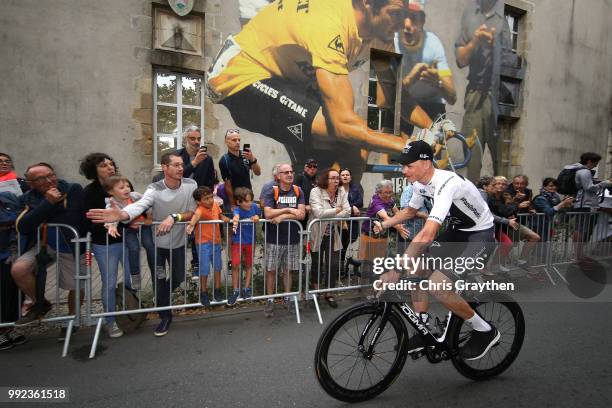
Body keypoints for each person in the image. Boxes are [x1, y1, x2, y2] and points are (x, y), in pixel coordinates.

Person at [206, 0, 410, 167]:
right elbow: (342, 124)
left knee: (347, 155)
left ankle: (330, 210)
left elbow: (391, 92)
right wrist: (409, 146)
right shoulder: (330, 23)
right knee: (346, 139)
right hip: (241, 75)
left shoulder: (383, 34)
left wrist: (422, 131)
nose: (402, 25)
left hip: (286, 77)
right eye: (395, 14)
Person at [374, 140, 500, 360]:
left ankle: (485, 330)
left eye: (408, 165)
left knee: (437, 285)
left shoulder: (446, 182)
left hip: (480, 235)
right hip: (458, 231)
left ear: (426, 162)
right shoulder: (418, 184)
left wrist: (395, 269)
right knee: (416, 268)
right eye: (402, 165)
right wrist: (385, 224)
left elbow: (427, 234)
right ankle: (423, 328)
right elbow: (409, 211)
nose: (403, 171)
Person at [87, 151, 197, 337]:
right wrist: (122, 215)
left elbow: (192, 212)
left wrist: (174, 217)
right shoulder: (154, 188)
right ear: (165, 167)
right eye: (176, 165)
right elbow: (140, 205)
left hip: (178, 242)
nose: (181, 168)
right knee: (159, 278)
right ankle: (165, 316)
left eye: (182, 165)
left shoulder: (190, 184)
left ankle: (161, 297)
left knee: (178, 276)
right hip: (157, 244)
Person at [11, 163, 86, 342]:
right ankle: (41, 303)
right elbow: (23, 226)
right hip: (45, 243)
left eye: (51, 175)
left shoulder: (72, 189)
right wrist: (48, 203)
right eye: (41, 179)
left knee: (75, 284)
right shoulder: (28, 197)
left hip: (70, 244)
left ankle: (71, 320)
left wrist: (43, 211)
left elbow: (72, 217)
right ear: (30, 183)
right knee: (19, 270)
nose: (49, 180)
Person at [455, 0, 511, 181]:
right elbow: (460, 60)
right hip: (475, 93)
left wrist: (495, 45)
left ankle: (500, 191)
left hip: (497, 94)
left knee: (498, 153)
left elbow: (509, 61)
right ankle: (470, 192)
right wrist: (476, 41)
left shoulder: (502, 21)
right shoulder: (470, 14)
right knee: (472, 151)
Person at [81, 153, 134, 338]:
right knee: (109, 283)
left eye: (111, 164)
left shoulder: (122, 185)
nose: (110, 167)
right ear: (93, 170)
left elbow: (131, 210)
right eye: (104, 165)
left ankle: (132, 314)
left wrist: (126, 220)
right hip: (105, 245)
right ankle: (110, 322)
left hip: (126, 241)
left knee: (131, 279)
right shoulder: (89, 192)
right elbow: (85, 220)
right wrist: (106, 224)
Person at [393, 1, 457, 134]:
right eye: (403, 16)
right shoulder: (392, 41)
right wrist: (411, 78)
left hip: (432, 103)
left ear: (422, 21)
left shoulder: (433, 44)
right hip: (405, 99)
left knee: (437, 143)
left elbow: (452, 97)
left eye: (413, 17)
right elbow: (388, 96)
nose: (407, 25)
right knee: (397, 146)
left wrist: (439, 82)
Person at [260, 163, 306, 317]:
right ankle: (270, 300)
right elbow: (267, 213)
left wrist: (283, 216)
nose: (290, 174)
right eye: (285, 172)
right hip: (274, 239)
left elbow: (302, 214)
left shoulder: (298, 190)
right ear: (278, 176)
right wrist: (288, 209)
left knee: (288, 271)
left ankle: (287, 298)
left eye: (291, 171)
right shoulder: (271, 190)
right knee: (271, 270)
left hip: (293, 238)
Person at [308, 168, 351, 308]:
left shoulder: (341, 192)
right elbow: (319, 213)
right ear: (325, 179)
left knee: (333, 264)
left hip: (333, 232)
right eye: (333, 178)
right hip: (317, 231)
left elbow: (348, 211)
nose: (336, 180)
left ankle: (329, 293)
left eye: (337, 178)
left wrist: (334, 213)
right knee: (317, 263)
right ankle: (315, 291)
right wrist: (337, 210)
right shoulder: (316, 191)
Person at [103, 175, 151, 291]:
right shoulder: (111, 203)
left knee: (150, 244)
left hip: (143, 225)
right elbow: (111, 216)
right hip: (129, 228)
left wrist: (149, 217)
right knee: (134, 248)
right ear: (111, 192)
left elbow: (149, 203)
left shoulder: (135, 195)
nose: (126, 189)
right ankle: (135, 276)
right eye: (121, 187)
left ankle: (158, 267)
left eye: (128, 186)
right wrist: (111, 226)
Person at [186, 186, 230, 307]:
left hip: (216, 241)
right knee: (204, 268)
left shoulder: (215, 205)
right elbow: (196, 216)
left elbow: (220, 215)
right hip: (204, 243)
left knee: (217, 267)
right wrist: (190, 225)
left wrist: (223, 218)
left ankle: (217, 290)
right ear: (199, 201)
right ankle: (203, 292)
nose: (210, 200)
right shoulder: (200, 209)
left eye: (211, 197)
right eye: (206, 198)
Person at [562, 152, 612, 246]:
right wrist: (604, 183)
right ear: (589, 161)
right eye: (595, 162)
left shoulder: (580, 170)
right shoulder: (585, 171)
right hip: (583, 203)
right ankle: (577, 255)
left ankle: (578, 254)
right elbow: (589, 188)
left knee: (581, 228)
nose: (596, 164)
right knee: (580, 228)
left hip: (582, 202)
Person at [359, 180, 407, 269]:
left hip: (382, 233)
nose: (388, 195)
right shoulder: (376, 201)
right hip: (370, 233)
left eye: (390, 192)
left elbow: (398, 213)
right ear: (379, 192)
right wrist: (399, 228)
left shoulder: (390, 200)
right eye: (386, 192)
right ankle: (366, 280)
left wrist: (401, 224)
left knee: (381, 259)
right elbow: (386, 218)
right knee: (369, 261)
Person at [0, 190, 26, 350]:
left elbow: (22, 218)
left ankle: (10, 326)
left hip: (12, 253)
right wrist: (12, 221)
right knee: (1, 294)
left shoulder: (8, 196)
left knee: (15, 292)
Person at [228, 187, 260, 306]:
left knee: (249, 264)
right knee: (235, 265)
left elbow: (258, 214)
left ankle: (246, 288)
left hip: (251, 241)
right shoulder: (237, 209)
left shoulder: (255, 207)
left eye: (250, 200)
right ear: (238, 202)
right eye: (246, 201)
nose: (249, 203)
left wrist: (257, 217)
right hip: (238, 241)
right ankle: (235, 290)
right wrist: (235, 220)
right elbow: (236, 216)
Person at [219, 129, 262, 207]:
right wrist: (232, 204)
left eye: (239, 140)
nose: (238, 142)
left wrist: (252, 159)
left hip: (249, 196)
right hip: (236, 199)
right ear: (226, 141)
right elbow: (227, 184)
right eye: (234, 140)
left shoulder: (246, 154)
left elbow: (258, 172)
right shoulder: (224, 160)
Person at [339, 168, 364, 274]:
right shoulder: (337, 189)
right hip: (340, 222)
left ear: (350, 177)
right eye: (343, 175)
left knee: (351, 242)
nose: (345, 176)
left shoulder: (356, 188)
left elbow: (360, 202)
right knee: (341, 245)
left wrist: (352, 206)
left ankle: (349, 263)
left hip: (352, 222)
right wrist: (352, 207)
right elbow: (338, 205)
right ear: (340, 177)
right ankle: (340, 270)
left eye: (347, 175)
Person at [295, 158, 318, 229]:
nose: (312, 168)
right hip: (301, 213)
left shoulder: (317, 180)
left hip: (313, 214)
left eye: (314, 167)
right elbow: (293, 195)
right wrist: (303, 207)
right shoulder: (299, 178)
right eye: (310, 166)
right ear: (305, 167)